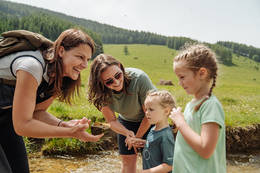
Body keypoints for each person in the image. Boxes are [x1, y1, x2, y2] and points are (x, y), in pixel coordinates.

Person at [0, 28, 103, 173]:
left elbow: (37, 112)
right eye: (80, 57)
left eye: (87, 59)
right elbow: (22, 125)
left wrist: (64, 125)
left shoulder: (58, 77)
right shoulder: (32, 66)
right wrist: (69, 132)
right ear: (61, 51)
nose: (85, 65)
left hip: (5, 117)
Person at [88, 54, 156, 173]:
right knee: (127, 162)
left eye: (118, 75)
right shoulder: (101, 93)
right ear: (101, 83)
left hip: (152, 118)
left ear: (119, 66)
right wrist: (127, 133)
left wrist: (137, 138)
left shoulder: (139, 79)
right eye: (109, 81)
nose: (116, 82)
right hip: (126, 121)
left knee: (153, 162)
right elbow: (112, 121)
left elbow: (150, 114)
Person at [170, 43, 226, 173]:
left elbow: (205, 150)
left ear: (202, 73)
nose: (179, 83)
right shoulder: (191, 104)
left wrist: (181, 123)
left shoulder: (211, 106)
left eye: (182, 77)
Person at [131, 90, 175, 173]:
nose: (147, 113)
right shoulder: (153, 128)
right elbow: (156, 145)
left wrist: (147, 172)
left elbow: (169, 165)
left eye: (151, 109)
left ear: (166, 111)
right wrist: (144, 143)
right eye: (146, 109)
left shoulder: (166, 135)